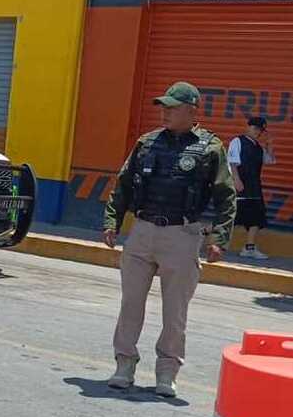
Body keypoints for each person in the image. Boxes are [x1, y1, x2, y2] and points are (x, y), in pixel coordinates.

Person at [101, 81, 236, 398]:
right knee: (130, 304)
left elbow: (226, 197)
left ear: (191, 111)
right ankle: (124, 364)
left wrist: (220, 238)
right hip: (143, 231)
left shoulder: (210, 148)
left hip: (182, 234)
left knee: (175, 312)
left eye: (172, 108)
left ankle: (167, 371)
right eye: (163, 107)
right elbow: (123, 186)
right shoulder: (146, 143)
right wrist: (112, 221)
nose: (165, 112)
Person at [227, 116, 276, 259]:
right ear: (248, 127)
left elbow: (269, 160)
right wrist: (236, 180)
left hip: (254, 188)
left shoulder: (258, 147)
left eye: (259, 130)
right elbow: (232, 162)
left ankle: (249, 248)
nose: (257, 132)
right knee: (230, 217)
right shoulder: (238, 141)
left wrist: (269, 146)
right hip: (241, 187)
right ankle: (202, 233)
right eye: (254, 128)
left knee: (257, 218)